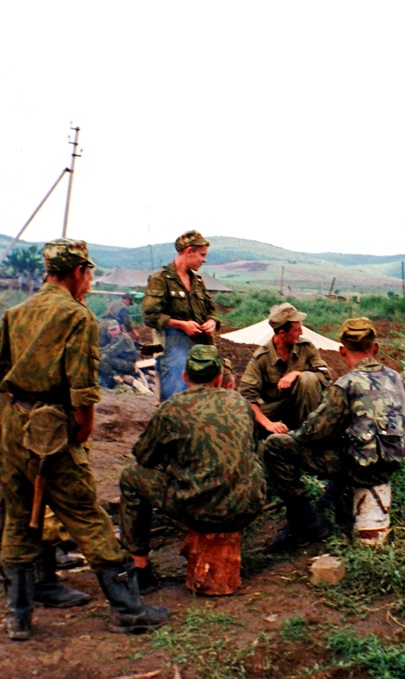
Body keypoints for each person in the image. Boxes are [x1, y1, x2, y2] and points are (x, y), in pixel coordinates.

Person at [0, 238, 169, 641]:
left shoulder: (16, 312)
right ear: (76, 271)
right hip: (53, 429)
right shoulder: (77, 316)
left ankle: (19, 616)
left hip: (14, 428)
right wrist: (82, 426)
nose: (90, 281)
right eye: (89, 273)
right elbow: (82, 386)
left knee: (17, 516)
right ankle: (129, 610)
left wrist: (17, 403)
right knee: (86, 514)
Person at [118, 345, 266, 589]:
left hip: (200, 510)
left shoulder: (172, 408)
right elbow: (251, 447)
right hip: (248, 505)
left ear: (185, 377)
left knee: (131, 477)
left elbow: (144, 457)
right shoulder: (239, 401)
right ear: (219, 378)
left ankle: (140, 568)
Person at [262, 317, 405, 551]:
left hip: (361, 470)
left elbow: (314, 434)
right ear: (375, 348)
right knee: (348, 442)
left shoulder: (346, 384)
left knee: (275, 446)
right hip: (391, 463)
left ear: (342, 351)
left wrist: (292, 434)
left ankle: (306, 522)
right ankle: (333, 500)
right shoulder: (396, 378)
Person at [142, 230, 218, 402]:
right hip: (172, 349)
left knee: (200, 402)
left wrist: (212, 321)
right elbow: (150, 316)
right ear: (189, 251)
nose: (204, 260)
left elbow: (210, 310)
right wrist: (182, 325)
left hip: (200, 352)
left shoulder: (198, 282)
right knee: (174, 400)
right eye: (202, 255)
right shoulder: (161, 279)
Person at [239, 302, 330, 437]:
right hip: (277, 408)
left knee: (308, 378)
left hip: (306, 408)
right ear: (282, 333)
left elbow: (325, 376)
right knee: (241, 419)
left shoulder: (306, 347)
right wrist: (268, 423)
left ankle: (309, 437)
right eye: (296, 330)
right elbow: (246, 397)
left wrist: (296, 373)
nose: (301, 333)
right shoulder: (261, 358)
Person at [99, 319, 153, 395]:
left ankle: (108, 381)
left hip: (129, 365)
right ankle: (105, 380)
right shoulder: (116, 337)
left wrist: (99, 352)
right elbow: (108, 347)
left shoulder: (123, 338)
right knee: (102, 357)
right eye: (111, 330)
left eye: (115, 329)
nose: (113, 332)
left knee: (104, 358)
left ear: (119, 328)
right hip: (122, 362)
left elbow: (111, 351)